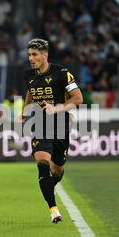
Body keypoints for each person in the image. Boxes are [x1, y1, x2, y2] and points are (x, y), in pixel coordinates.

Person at [21, 38, 83, 223]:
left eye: (35, 55)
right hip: (40, 123)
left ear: (45, 55)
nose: (31, 59)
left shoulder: (62, 73)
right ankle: (53, 209)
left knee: (57, 171)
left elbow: (78, 98)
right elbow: (31, 92)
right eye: (29, 55)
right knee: (42, 163)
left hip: (61, 124)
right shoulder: (29, 75)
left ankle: (49, 186)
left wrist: (57, 108)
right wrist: (24, 111)